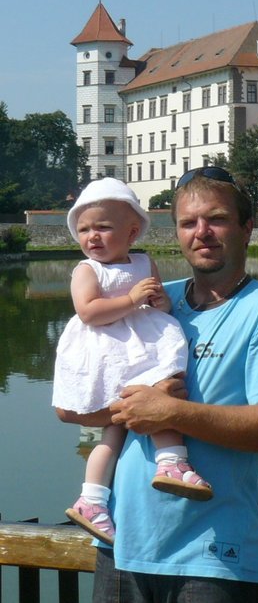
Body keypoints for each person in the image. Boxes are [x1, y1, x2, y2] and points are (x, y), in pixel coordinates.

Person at [57, 166, 258, 602]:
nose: (202, 232)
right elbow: (70, 408)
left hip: (214, 555)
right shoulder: (151, 299)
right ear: (174, 232)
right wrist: (131, 409)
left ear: (247, 228)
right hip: (121, 544)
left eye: (215, 219)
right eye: (187, 222)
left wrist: (171, 413)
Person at [53, 178, 212, 546]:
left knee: (158, 399)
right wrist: (131, 299)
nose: (92, 236)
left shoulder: (144, 261)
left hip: (142, 347)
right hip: (106, 353)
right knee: (115, 425)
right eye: (84, 229)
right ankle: (93, 496)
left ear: (132, 231)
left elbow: (160, 302)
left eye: (103, 227)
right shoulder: (86, 270)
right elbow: (89, 311)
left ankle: (168, 460)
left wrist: (158, 303)